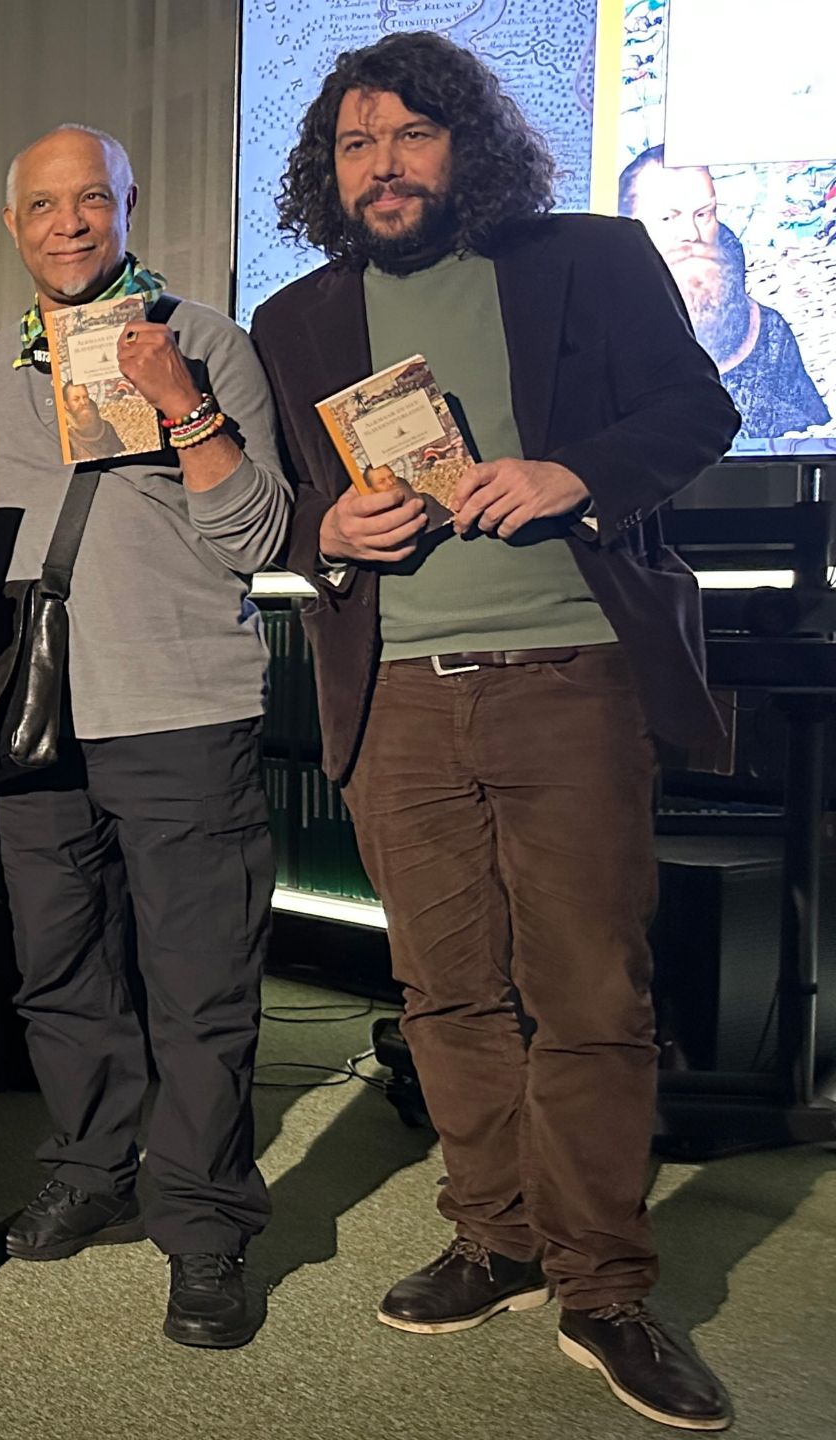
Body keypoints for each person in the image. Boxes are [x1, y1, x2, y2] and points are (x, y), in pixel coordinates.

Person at [249, 32, 740, 1431]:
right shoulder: (297, 319)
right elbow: (278, 500)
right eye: (355, 144)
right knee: (445, 991)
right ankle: (497, 1235)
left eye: (410, 135)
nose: (382, 165)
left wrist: (570, 471)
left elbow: (696, 409)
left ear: (466, 145)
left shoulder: (585, 257)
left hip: (569, 671)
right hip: (396, 690)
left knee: (588, 995)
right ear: (326, 172)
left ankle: (605, 1286)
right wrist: (323, 524)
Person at [0, 125, 292, 1349]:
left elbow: (257, 536)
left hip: (184, 713)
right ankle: (96, 1164)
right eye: (41, 204)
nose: (66, 223)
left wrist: (179, 403)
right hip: (39, 719)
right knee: (60, 974)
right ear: (12, 226)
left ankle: (204, 1230)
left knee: (199, 988)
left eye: (88, 199)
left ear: (127, 205)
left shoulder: (205, 339)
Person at [620, 146, 830, 443]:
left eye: (704, 214)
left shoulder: (767, 329)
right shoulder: (601, 328)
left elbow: (811, 435)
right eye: (668, 218)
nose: (690, 233)